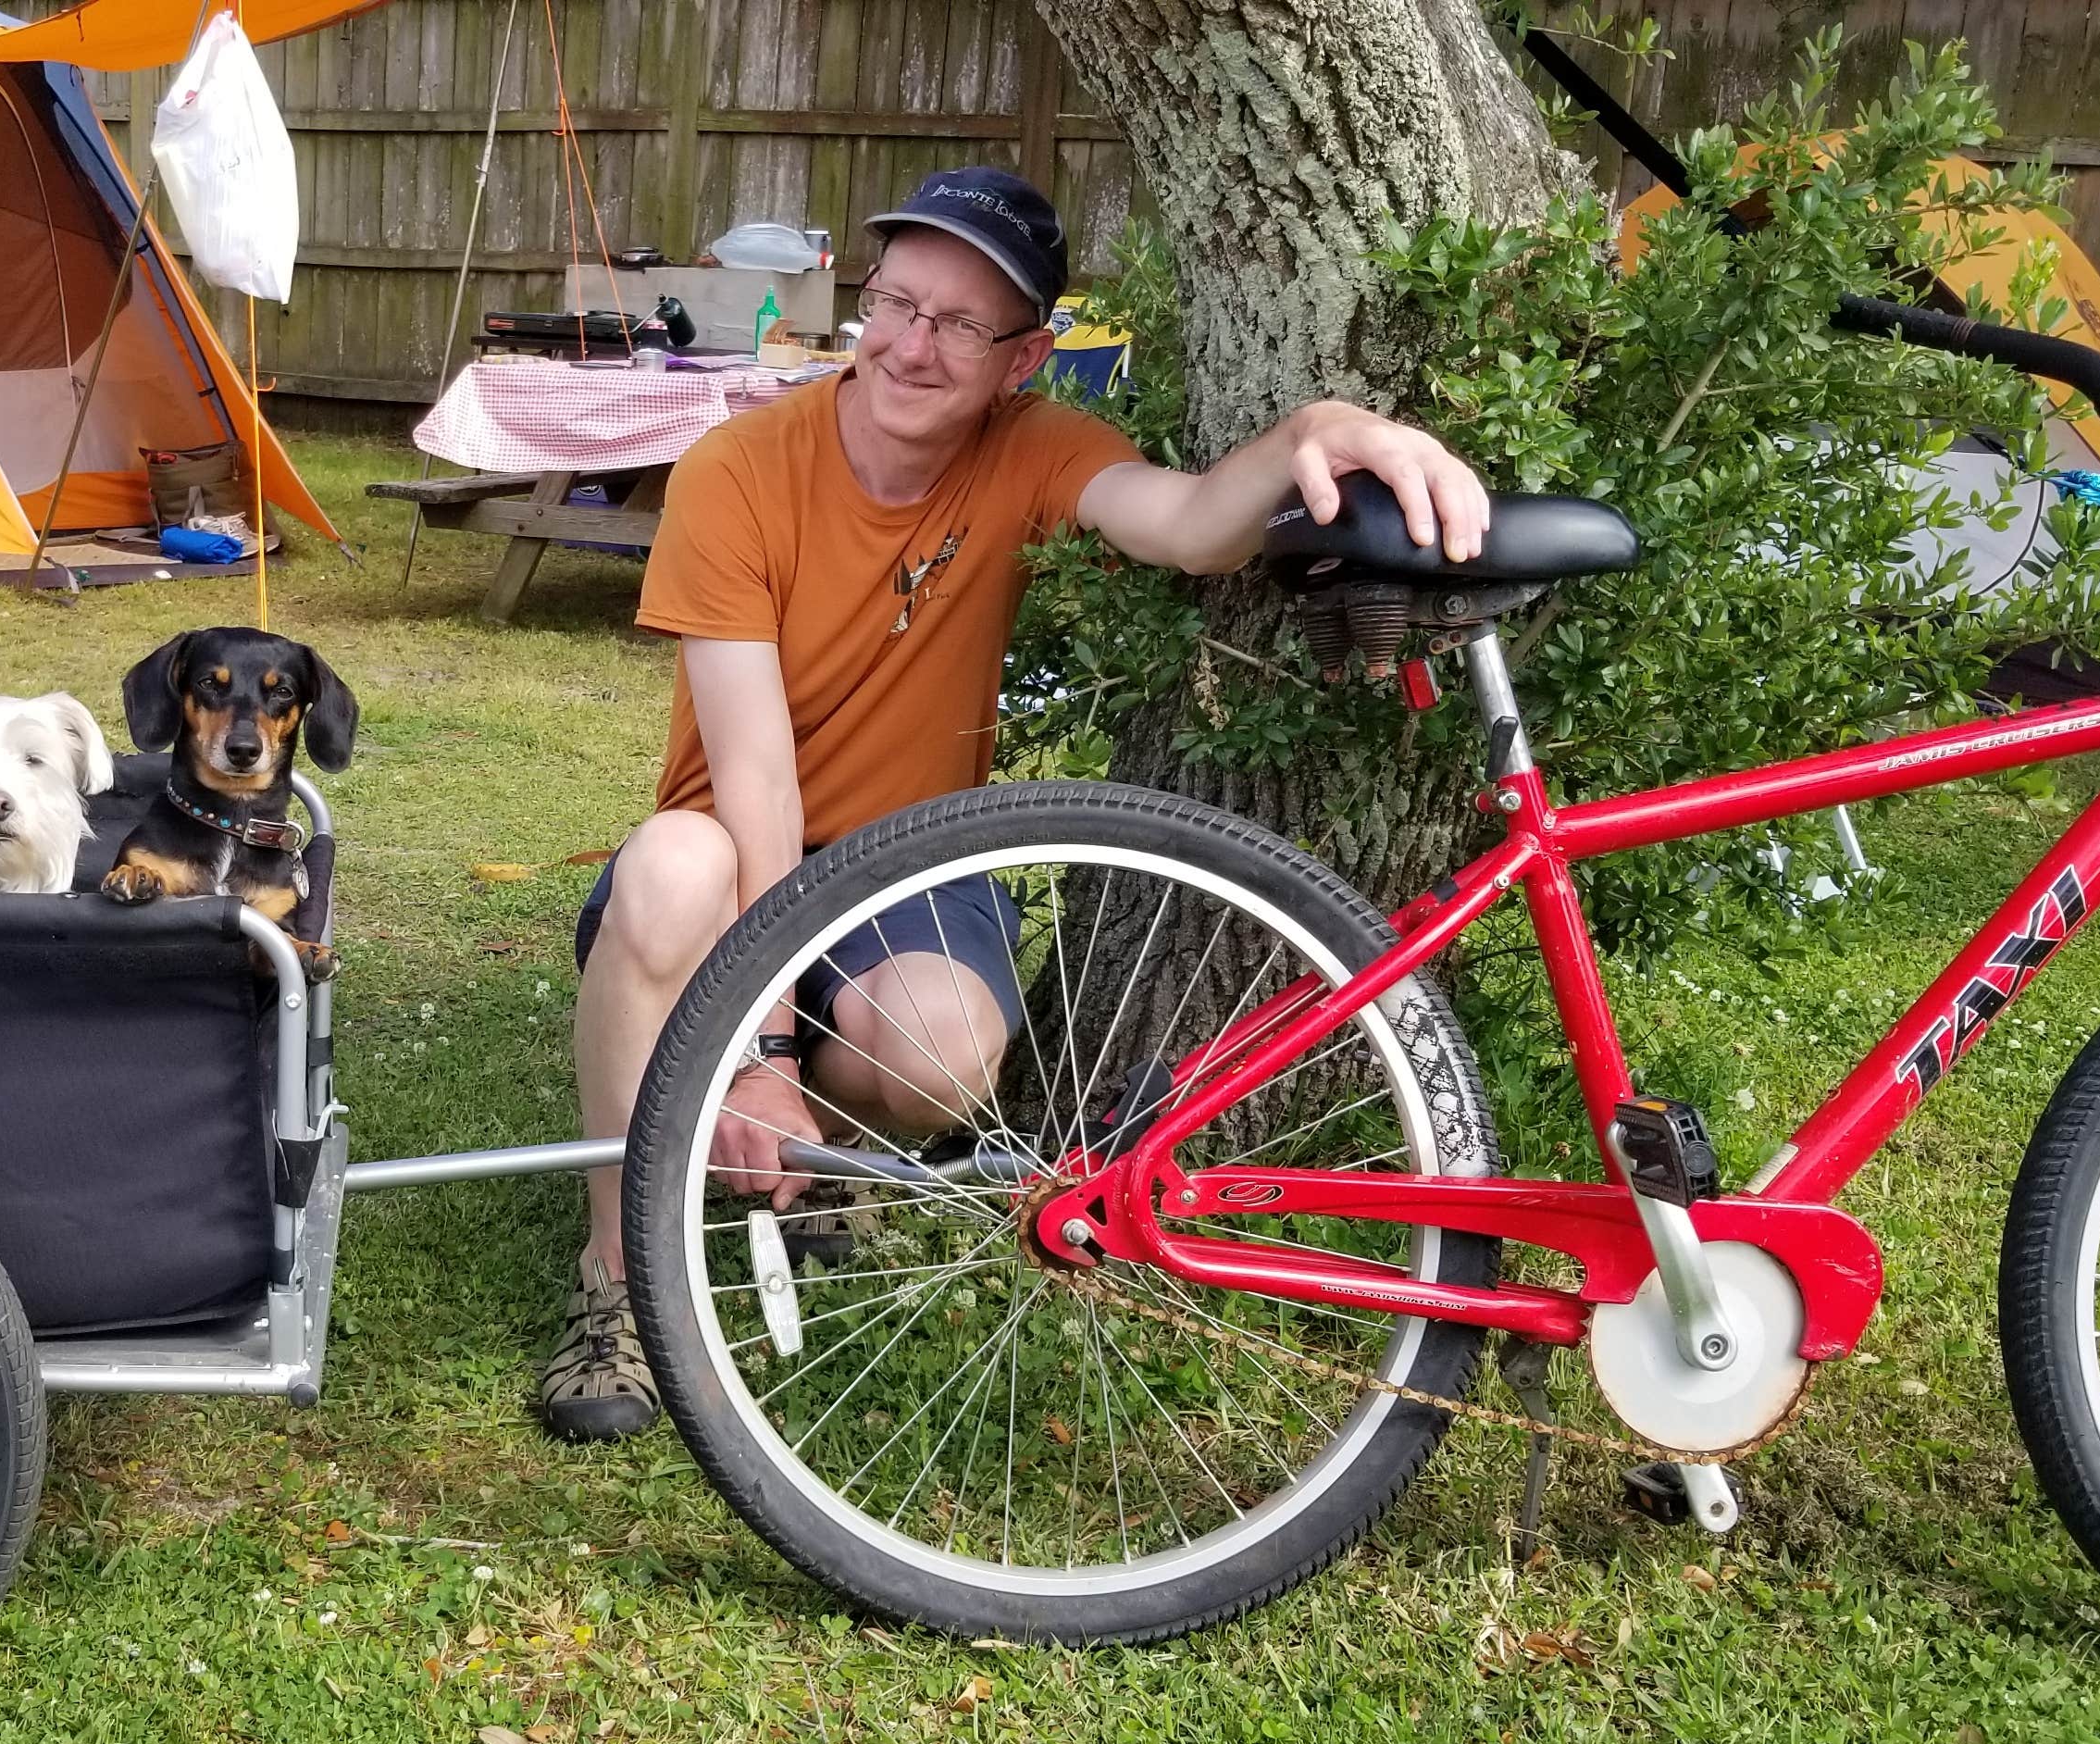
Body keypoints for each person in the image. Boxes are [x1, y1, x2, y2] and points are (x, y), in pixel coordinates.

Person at [540, 167, 1495, 1441]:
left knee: (949, 1055)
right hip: (730, 850)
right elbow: (756, 779)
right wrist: (756, 1046)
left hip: (906, 863)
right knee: (667, 870)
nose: (910, 345)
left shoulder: (1035, 448)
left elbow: (1191, 525)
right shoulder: (736, 470)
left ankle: (812, 1159)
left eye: (959, 326)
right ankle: (615, 1276)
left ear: (1023, 360)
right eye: (895, 303)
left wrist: (1313, 429)